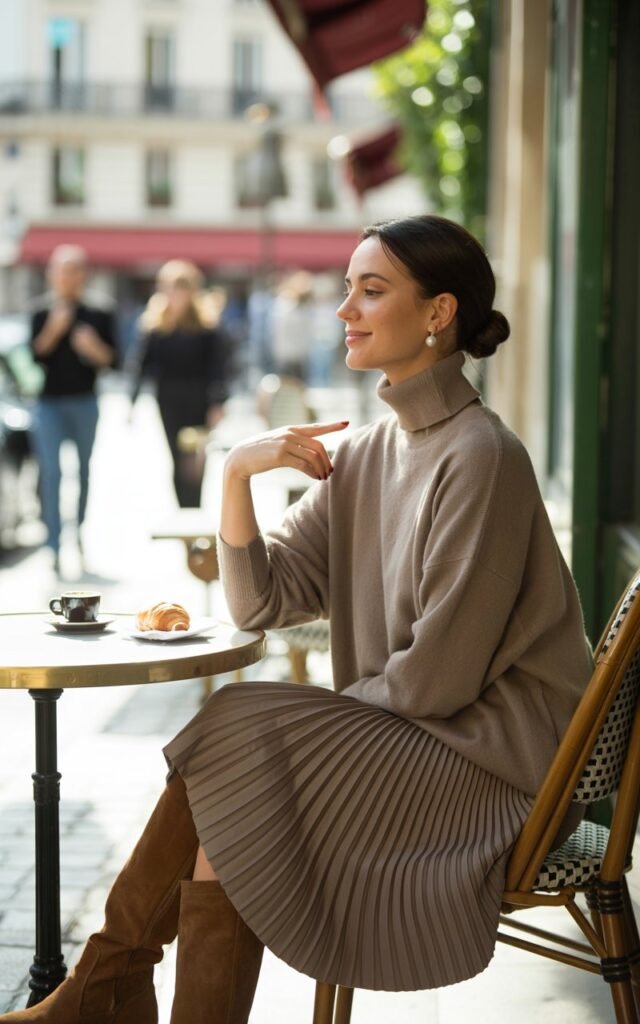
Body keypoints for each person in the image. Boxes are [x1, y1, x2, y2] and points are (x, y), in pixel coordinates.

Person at [2, 215, 593, 1022]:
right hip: (414, 741)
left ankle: (100, 990)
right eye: (347, 288)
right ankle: (105, 987)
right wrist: (237, 473)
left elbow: (438, 682)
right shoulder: (371, 452)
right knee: (236, 775)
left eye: (370, 290)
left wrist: (297, 736)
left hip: (497, 772)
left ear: (438, 312)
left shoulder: (482, 457)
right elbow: (262, 600)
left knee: (242, 734)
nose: (344, 309)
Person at [29, 244, 118, 575]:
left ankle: (77, 535)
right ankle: (52, 545)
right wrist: (54, 330)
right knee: (51, 473)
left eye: (73, 271)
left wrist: (92, 348)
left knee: (83, 472)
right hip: (48, 404)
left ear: (83, 275)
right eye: (61, 271)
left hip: (85, 402)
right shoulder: (40, 312)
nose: (67, 278)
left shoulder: (99, 312)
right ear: (52, 275)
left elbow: (114, 361)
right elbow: (34, 357)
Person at [130, 260, 232, 508]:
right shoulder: (155, 325)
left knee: (194, 458)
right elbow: (141, 365)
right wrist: (132, 401)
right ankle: (183, 511)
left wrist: (218, 403)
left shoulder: (207, 327)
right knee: (176, 456)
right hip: (168, 398)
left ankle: (194, 508)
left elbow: (219, 368)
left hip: (198, 399)